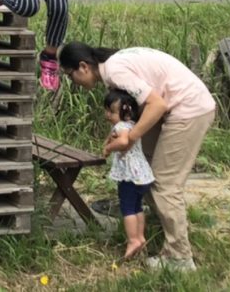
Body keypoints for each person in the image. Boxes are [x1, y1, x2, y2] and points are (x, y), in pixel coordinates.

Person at [59, 41, 217, 273]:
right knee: (145, 171)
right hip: (178, 107)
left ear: (83, 66)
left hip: (189, 109)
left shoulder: (115, 70)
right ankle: (166, 230)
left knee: (165, 183)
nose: (74, 83)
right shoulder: (113, 69)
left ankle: (179, 258)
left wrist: (130, 137)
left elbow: (157, 104)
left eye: (70, 76)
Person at [103, 88, 155, 259]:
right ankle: (140, 237)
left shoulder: (120, 127)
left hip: (130, 176)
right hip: (142, 175)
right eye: (107, 110)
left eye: (111, 111)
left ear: (125, 113)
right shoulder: (133, 125)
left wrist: (109, 148)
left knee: (127, 209)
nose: (107, 114)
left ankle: (132, 240)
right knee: (137, 207)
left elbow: (123, 141)